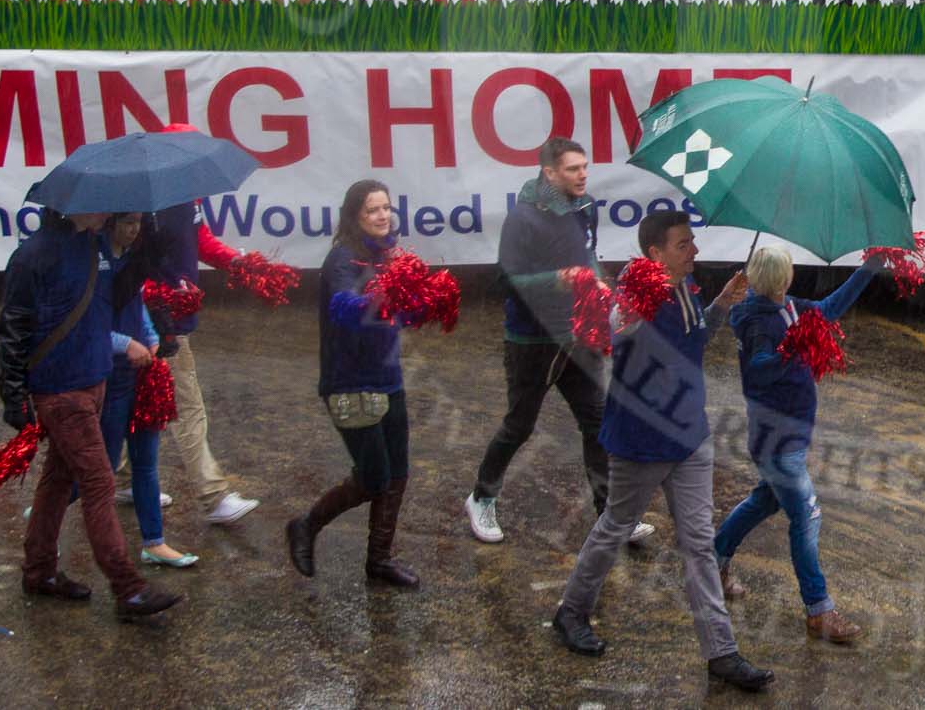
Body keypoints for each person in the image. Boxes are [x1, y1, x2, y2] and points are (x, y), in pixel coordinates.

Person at [552, 212, 772, 693]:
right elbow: (614, 331)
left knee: (698, 545)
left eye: (692, 241)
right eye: (683, 244)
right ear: (655, 253)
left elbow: (693, 342)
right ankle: (571, 611)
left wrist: (720, 303)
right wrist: (619, 308)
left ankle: (722, 652)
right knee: (615, 525)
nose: (693, 250)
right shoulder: (637, 291)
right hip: (643, 440)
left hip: (690, 436)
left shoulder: (686, 289)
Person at [465, 139, 656, 550]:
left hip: (578, 335)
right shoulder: (522, 220)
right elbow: (506, 282)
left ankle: (611, 516)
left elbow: (587, 256)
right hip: (532, 341)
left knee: (598, 423)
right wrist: (555, 280)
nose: (583, 174)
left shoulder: (584, 208)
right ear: (549, 173)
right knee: (520, 425)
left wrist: (602, 291)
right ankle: (481, 497)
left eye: (585, 166)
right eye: (573, 169)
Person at [0, 207, 182, 622]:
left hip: (93, 381)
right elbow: (12, 325)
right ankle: (128, 588)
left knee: (58, 479)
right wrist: (13, 393)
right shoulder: (34, 255)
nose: (108, 210)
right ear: (76, 206)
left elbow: (111, 300)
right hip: (61, 390)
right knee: (99, 481)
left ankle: (39, 571)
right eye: (100, 204)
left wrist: (147, 257)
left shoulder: (90, 247)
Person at [713, 246, 882, 644]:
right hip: (777, 442)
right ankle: (818, 610)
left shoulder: (787, 308)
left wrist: (869, 268)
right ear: (784, 279)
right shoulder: (758, 320)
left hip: (788, 436)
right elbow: (757, 371)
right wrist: (793, 350)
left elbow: (829, 309)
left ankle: (712, 563)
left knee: (764, 502)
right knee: (806, 517)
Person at [286, 180, 419, 589]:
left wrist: (419, 298)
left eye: (386, 209)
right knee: (374, 476)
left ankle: (379, 560)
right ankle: (306, 524)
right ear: (354, 216)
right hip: (351, 384)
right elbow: (344, 306)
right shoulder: (342, 259)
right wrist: (381, 300)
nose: (382, 216)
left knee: (397, 473)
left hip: (388, 377)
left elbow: (405, 314)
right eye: (372, 210)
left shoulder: (390, 256)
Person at [140, 189, 263, 528]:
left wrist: (237, 262)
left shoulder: (186, 200)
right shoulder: (147, 205)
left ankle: (121, 481)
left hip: (168, 321)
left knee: (131, 405)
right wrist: (161, 294)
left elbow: (201, 239)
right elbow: (133, 263)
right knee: (187, 407)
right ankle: (213, 496)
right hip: (157, 325)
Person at [96, 213, 196, 570]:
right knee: (101, 467)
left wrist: (152, 340)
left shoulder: (134, 262)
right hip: (110, 378)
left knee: (146, 464)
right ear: (109, 223)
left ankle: (154, 542)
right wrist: (125, 345)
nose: (133, 229)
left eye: (137, 221)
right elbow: (87, 326)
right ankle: (49, 513)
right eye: (126, 222)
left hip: (141, 376)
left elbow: (140, 313)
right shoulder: (95, 263)